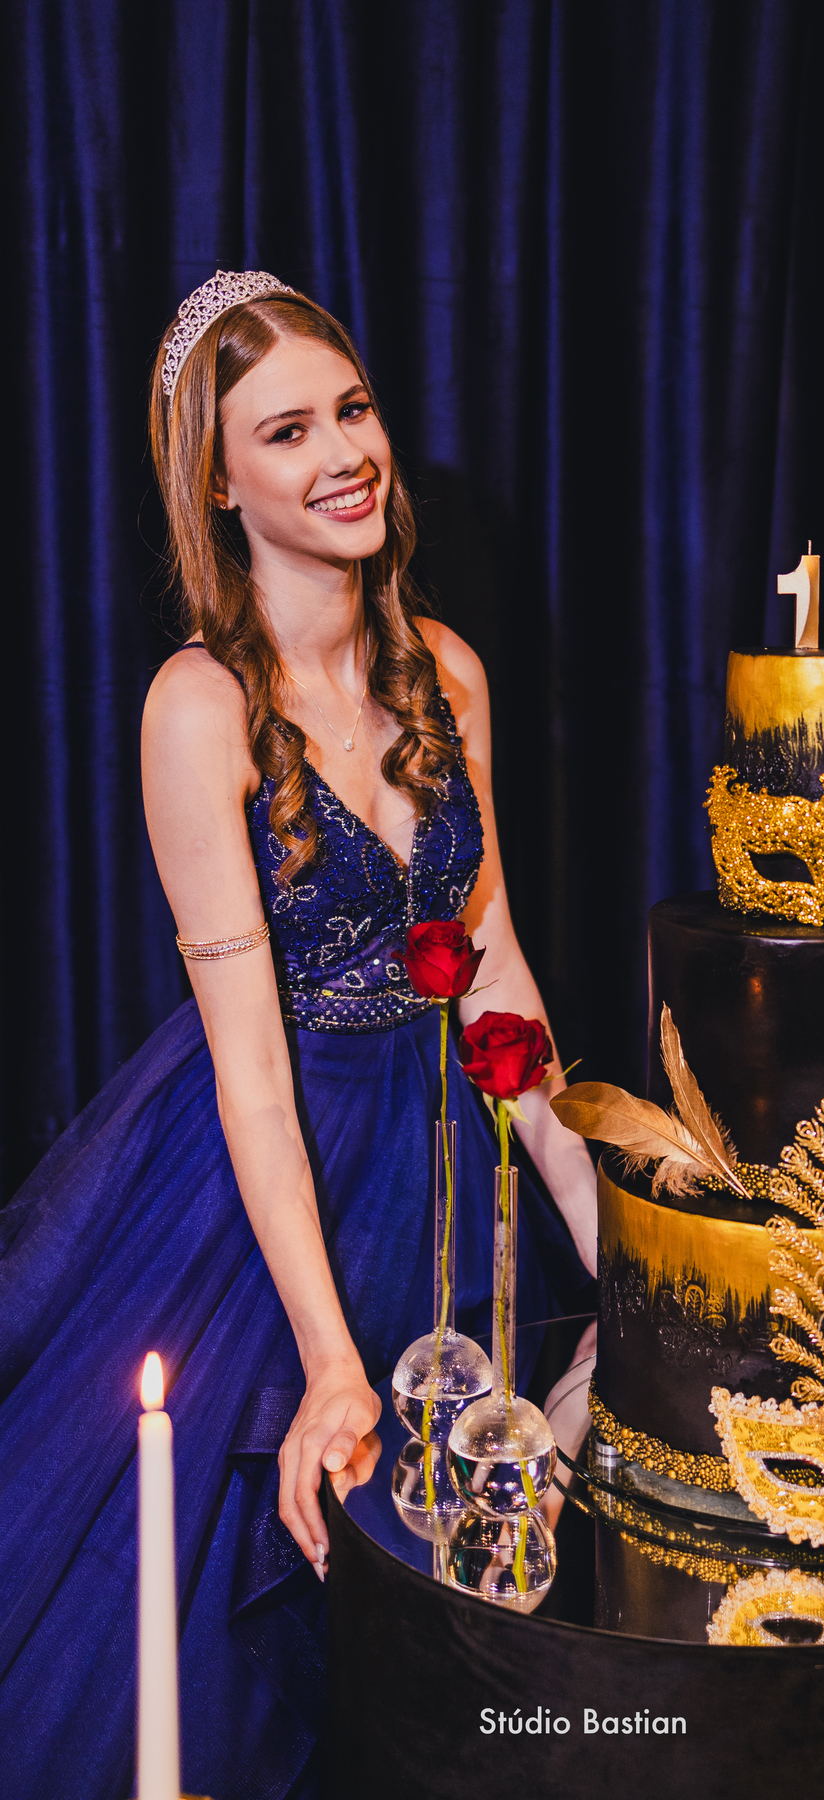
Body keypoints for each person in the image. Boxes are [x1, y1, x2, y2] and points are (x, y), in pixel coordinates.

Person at [0, 270, 597, 1800]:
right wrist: (331, 1362)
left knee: (469, 1597)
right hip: (275, 1170)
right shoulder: (197, 707)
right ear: (217, 480)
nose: (344, 453)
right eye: (286, 431)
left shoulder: (445, 671)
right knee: (228, 1628)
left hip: (449, 1160)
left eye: (353, 409)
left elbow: (495, 972)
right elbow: (251, 1071)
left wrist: (611, 1228)